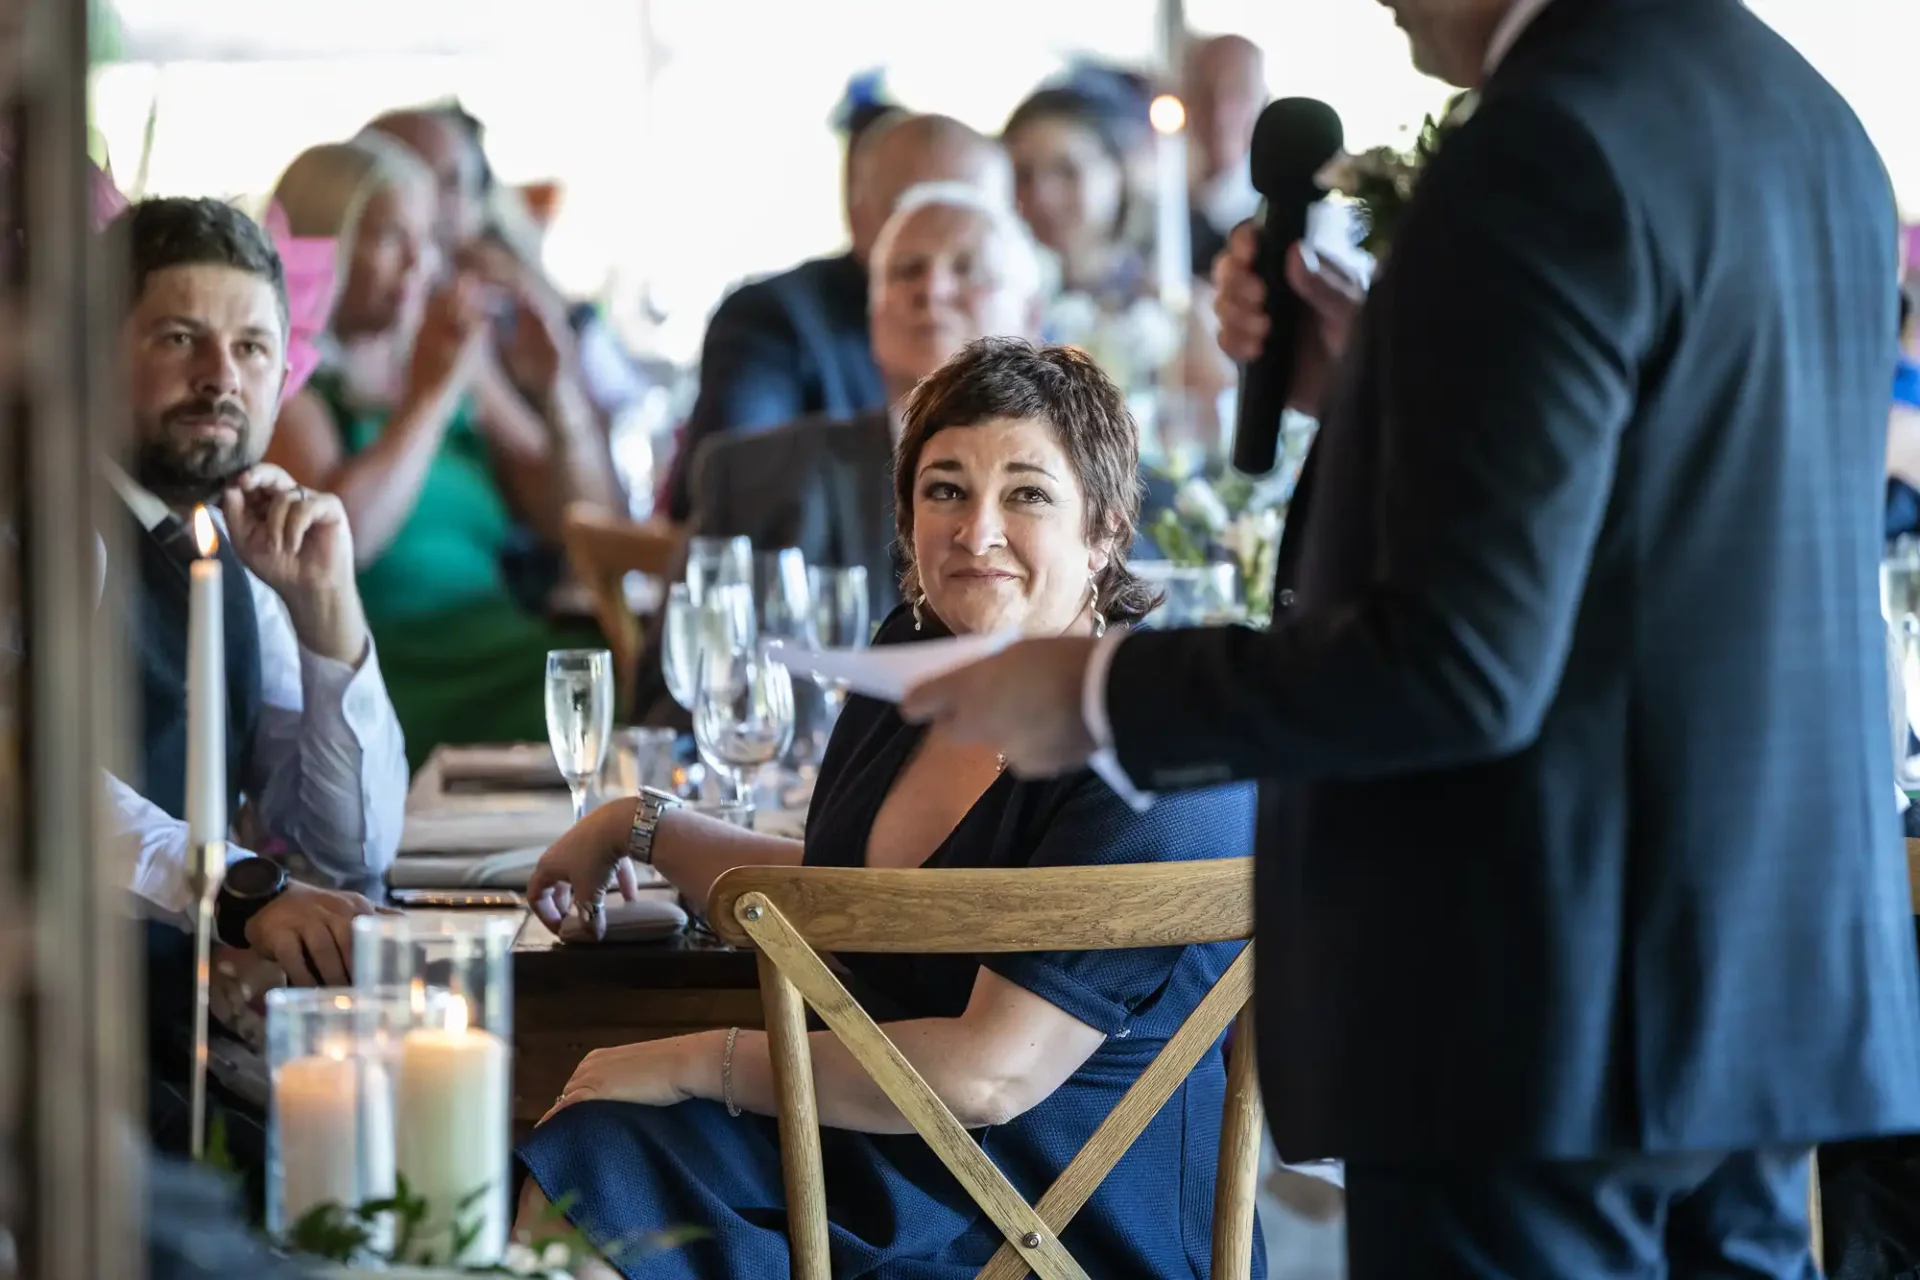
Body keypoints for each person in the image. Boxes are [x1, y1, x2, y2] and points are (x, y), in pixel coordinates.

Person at [901, 0, 1920, 1276]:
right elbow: (1672, 513)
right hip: (1758, 975)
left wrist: (1103, 688)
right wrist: (1380, 375)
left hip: (1546, 1000)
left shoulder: (1540, 145)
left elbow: (1462, 659)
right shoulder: (1809, 117)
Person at [515, 339, 1258, 1279]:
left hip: (1052, 1211)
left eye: (1026, 493)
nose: (976, 531)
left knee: (611, 1138)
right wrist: (641, 823)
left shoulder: (1162, 744)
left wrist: (696, 1060)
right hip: (874, 1147)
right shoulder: (908, 663)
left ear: (1104, 530)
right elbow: (852, 907)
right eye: (945, 490)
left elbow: (994, 1072)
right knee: (593, 1155)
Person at [265, 139, 606, 768]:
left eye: (428, 240)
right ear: (326, 242)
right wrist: (428, 398)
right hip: (394, 671)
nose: (421, 264)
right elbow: (341, 541)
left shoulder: (452, 363)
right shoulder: (292, 386)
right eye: (393, 238)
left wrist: (558, 391)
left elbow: (581, 522)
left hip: (497, 639)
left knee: (611, 665)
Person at [686, 182, 1045, 625]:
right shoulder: (752, 481)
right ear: (873, 317)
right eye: (907, 271)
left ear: (1032, 315)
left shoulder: (1103, 494)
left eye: (967, 269)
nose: (931, 289)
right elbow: (674, 688)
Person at [662, 113, 1013, 521]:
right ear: (858, 212)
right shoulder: (774, 317)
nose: (933, 286)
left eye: (965, 208)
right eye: (915, 206)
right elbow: (737, 501)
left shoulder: (1028, 336)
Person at [1183, 34, 1267, 279]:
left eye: (1238, 92)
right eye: (1205, 92)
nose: (1220, 111)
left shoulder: (1273, 212)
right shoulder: (1163, 200)